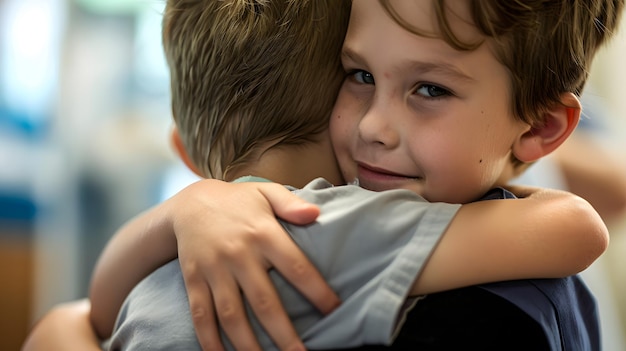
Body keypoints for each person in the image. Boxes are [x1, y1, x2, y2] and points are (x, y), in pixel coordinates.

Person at [22, 0, 621, 350]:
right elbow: (575, 227)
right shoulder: (324, 223)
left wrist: (183, 210)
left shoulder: (156, 271)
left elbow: (81, 317)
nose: (373, 129)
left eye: (430, 88)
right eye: (359, 76)